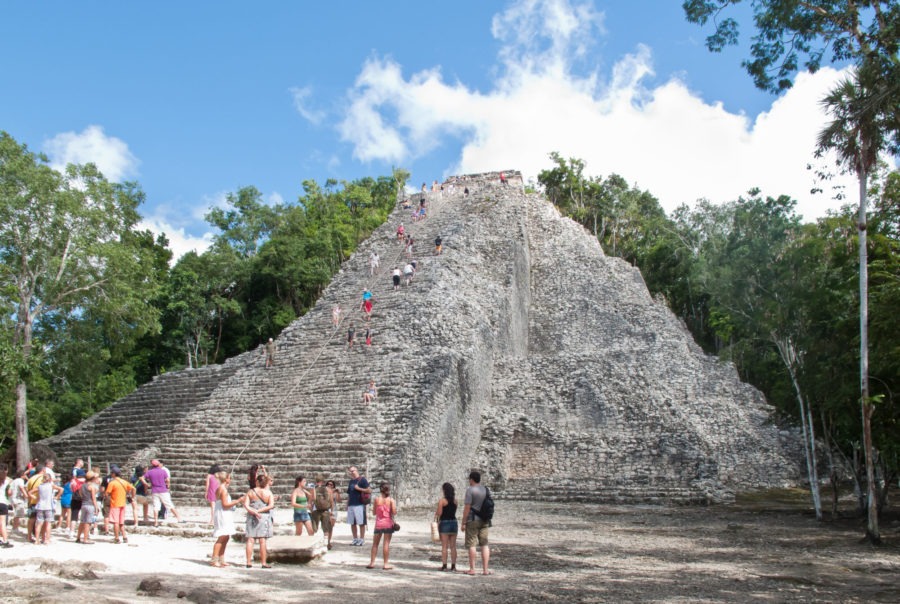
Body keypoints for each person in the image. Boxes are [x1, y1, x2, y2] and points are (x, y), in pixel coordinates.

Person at [211, 471, 244, 567]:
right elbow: (225, 505)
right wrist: (238, 501)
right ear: (226, 479)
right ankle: (214, 559)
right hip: (223, 514)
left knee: (226, 536)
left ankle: (221, 558)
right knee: (222, 537)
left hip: (222, 513)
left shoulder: (221, 488)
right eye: (229, 478)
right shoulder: (223, 490)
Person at [461, 471, 491, 575]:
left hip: (473, 519)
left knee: (472, 544)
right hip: (485, 520)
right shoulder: (486, 489)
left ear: (472, 479)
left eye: (469, 479)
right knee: (484, 544)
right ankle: (485, 570)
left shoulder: (470, 490)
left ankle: (472, 569)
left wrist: (463, 522)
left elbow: (467, 507)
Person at [243, 474, 274, 568]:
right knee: (262, 540)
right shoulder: (268, 493)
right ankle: (263, 563)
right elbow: (271, 505)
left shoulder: (251, 492)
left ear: (257, 481)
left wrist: (253, 511)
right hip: (263, 516)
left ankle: (248, 562)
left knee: (250, 539)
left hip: (252, 516)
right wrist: (259, 511)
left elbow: (246, 505)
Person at [366, 482, 397, 570]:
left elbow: (374, 512)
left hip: (378, 523)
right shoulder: (391, 500)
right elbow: (394, 512)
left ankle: (372, 562)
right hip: (388, 523)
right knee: (386, 544)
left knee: (375, 544)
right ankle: (386, 564)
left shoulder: (377, 499)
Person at [144, 459, 182, 525]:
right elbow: (167, 480)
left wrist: (146, 484)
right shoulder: (163, 471)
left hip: (154, 491)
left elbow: (142, 477)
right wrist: (168, 486)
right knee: (169, 504)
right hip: (163, 490)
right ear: (158, 464)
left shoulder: (150, 472)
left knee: (156, 506)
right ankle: (178, 518)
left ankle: (155, 522)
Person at [105, 465, 135, 544]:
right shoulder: (124, 482)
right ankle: (124, 537)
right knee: (121, 521)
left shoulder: (112, 483)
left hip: (115, 504)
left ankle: (117, 538)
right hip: (123, 503)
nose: (111, 474)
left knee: (116, 522)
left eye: (111, 473)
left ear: (114, 474)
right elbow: (133, 488)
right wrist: (132, 496)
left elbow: (107, 493)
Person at [434, 482, 459, 571]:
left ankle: (444, 566)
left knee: (444, 546)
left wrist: (436, 514)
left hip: (445, 523)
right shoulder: (455, 501)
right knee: (453, 546)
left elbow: (439, 513)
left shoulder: (442, 501)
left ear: (444, 491)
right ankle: (453, 566)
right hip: (454, 523)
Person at [346, 466, 371, 546]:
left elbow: (369, 490)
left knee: (361, 523)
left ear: (356, 471)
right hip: (351, 504)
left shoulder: (362, 480)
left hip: (359, 504)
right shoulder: (351, 481)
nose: (351, 472)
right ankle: (355, 538)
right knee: (352, 523)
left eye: (352, 471)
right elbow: (349, 494)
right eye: (350, 471)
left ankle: (362, 539)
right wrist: (347, 504)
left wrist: (359, 489)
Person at [76, 470, 100, 544]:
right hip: (90, 505)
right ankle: (85, 539)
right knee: (88, 522)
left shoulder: (82, 486)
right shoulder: (91, 487)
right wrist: (96, 507)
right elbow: (93, 498)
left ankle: (78, 537)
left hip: (84, 504)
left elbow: (80, 494)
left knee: (82, 521)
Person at [309, 474, 333, 548]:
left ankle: (313, 544)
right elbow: (331, 501)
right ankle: (327, 544)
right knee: (326, 528)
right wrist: (331, 511)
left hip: (316, 510)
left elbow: (311, 500)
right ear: (323, 481)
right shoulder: (328, 489)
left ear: (316, 481)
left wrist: (311, 510)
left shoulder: (313, 489)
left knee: (314, 528)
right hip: (326, 510)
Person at [10, 468, 28, 533]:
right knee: (17, 514)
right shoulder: (20, 480)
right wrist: (26, 495)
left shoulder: (14, 481)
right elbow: (21, 488)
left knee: (16, 514)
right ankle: (15, 528)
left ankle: (15, 527)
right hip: (18, 499)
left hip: (13, 499)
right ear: (22, 475)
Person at [0, 463, 13, 547]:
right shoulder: (8, 481)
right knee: (2, 523)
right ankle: (5, 540)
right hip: (3, 502)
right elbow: (9, 493)